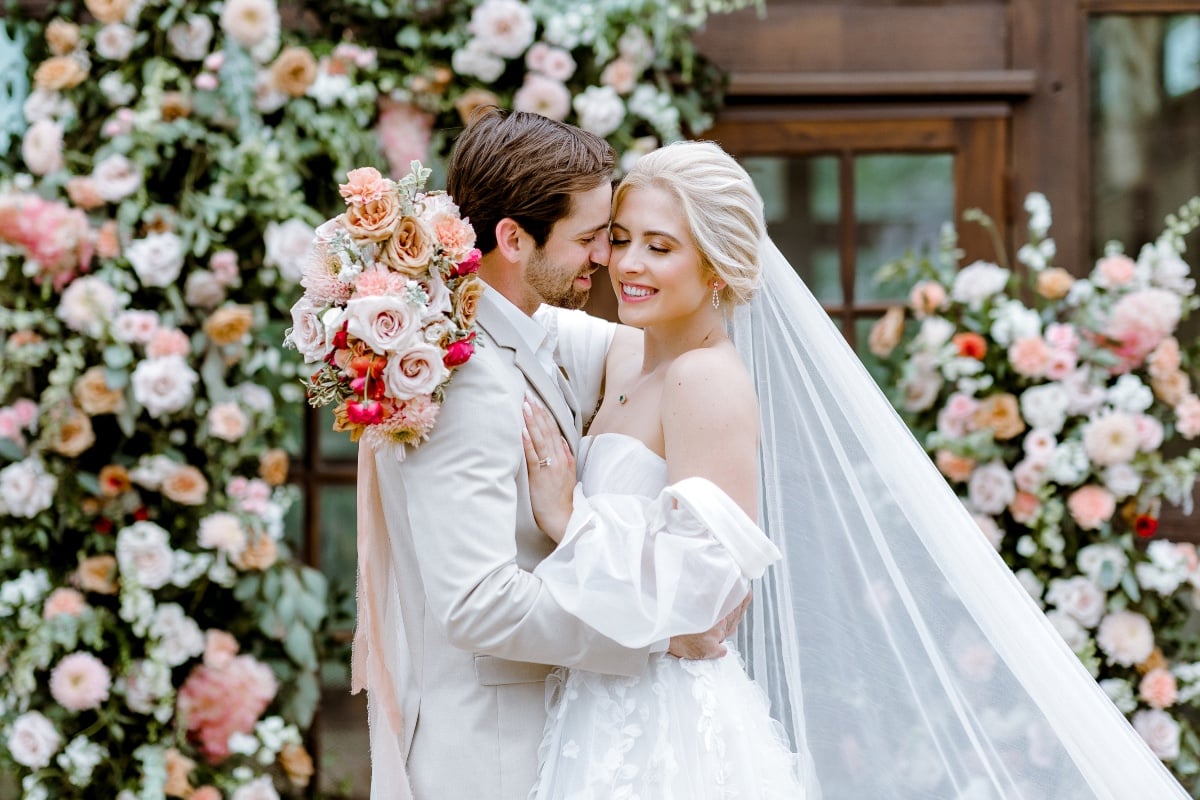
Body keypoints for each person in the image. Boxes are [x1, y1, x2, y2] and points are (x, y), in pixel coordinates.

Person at [520, 140, 1192, 799]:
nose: (628, 264)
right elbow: (512, 316)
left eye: (660, 247)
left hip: (663, 726)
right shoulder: (625, 354)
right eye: (620, 237)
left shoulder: (703, 380)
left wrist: (567, 517)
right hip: (597, 697)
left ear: (717, 264)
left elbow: (704, 606)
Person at [351, 110, 743, 800]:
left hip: (561, 746)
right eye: (594, 239)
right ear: (513, 237)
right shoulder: (467, 381)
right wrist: (658, 633)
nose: (610, 260)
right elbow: (478, 602)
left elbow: (649, 348)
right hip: (491, 760)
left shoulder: (513, 331)